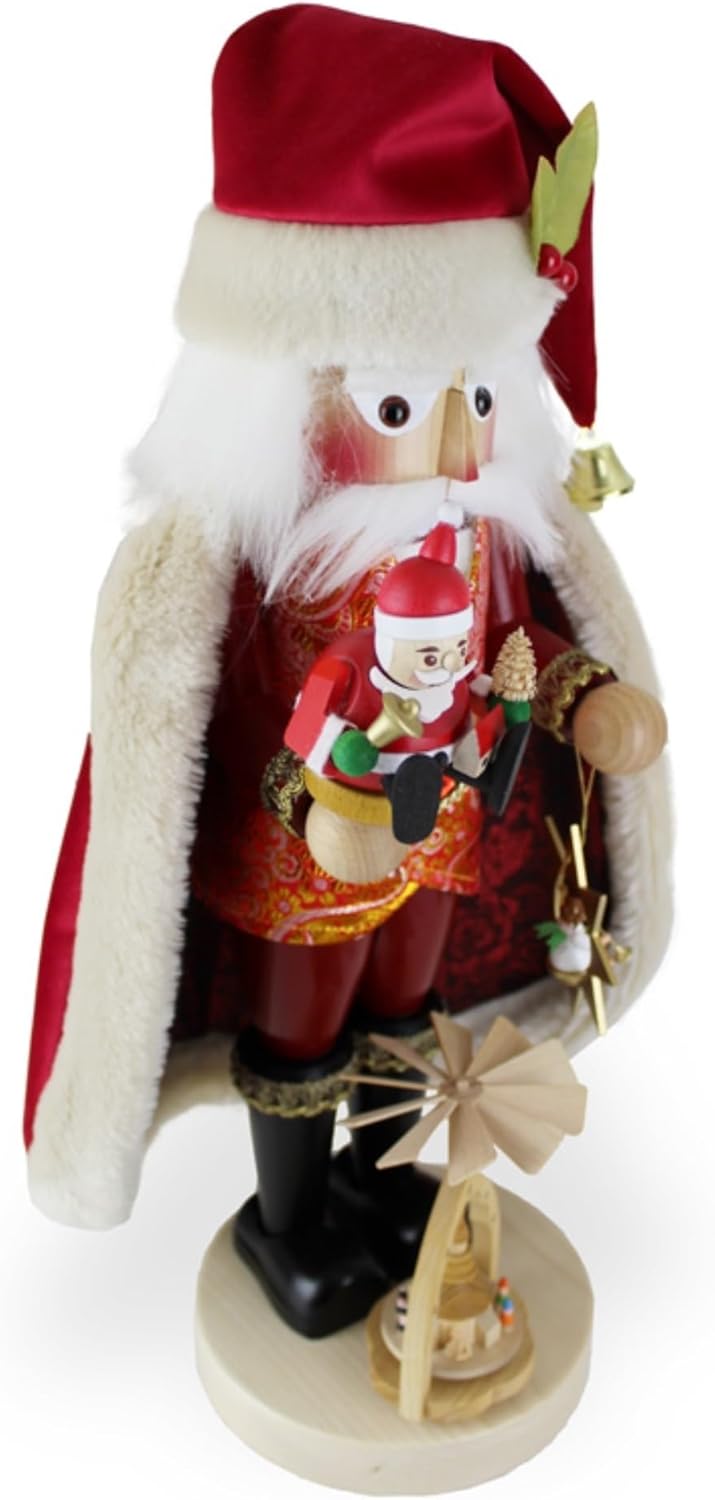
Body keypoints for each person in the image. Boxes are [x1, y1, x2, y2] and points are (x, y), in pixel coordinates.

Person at [24, 6, 670, 1339]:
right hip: (312, 849)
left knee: (407, 1002)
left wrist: (580, 696)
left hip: (443, 826)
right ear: (292, 397)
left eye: (476, 399)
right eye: (398, 405)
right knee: (305, 1023)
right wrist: (316, 804)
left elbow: (512, 648)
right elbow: (228, 711)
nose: (451, 439)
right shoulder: (262, 552)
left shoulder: (480, 532)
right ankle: (290, 1222)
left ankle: (378, 1183)